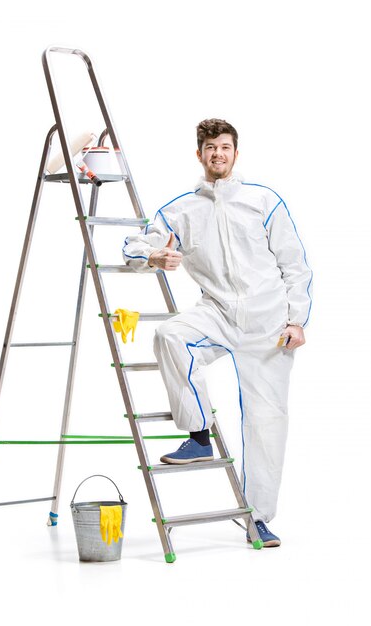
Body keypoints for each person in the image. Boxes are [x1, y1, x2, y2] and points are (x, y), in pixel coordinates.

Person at [122, 119, 312, 547]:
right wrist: (154, 255)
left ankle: (258, 519)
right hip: (219, 315)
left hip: (269, 327)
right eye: (210, 148)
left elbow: (295, 265)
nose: (218, 154)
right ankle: (198, 434)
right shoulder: (181, 211)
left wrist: (297, 319)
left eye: (225, 147)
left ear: (235, 153)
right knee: (171, 335)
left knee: (267, 424)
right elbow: (133, 244)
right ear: (200, 154)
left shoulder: (264, 201)